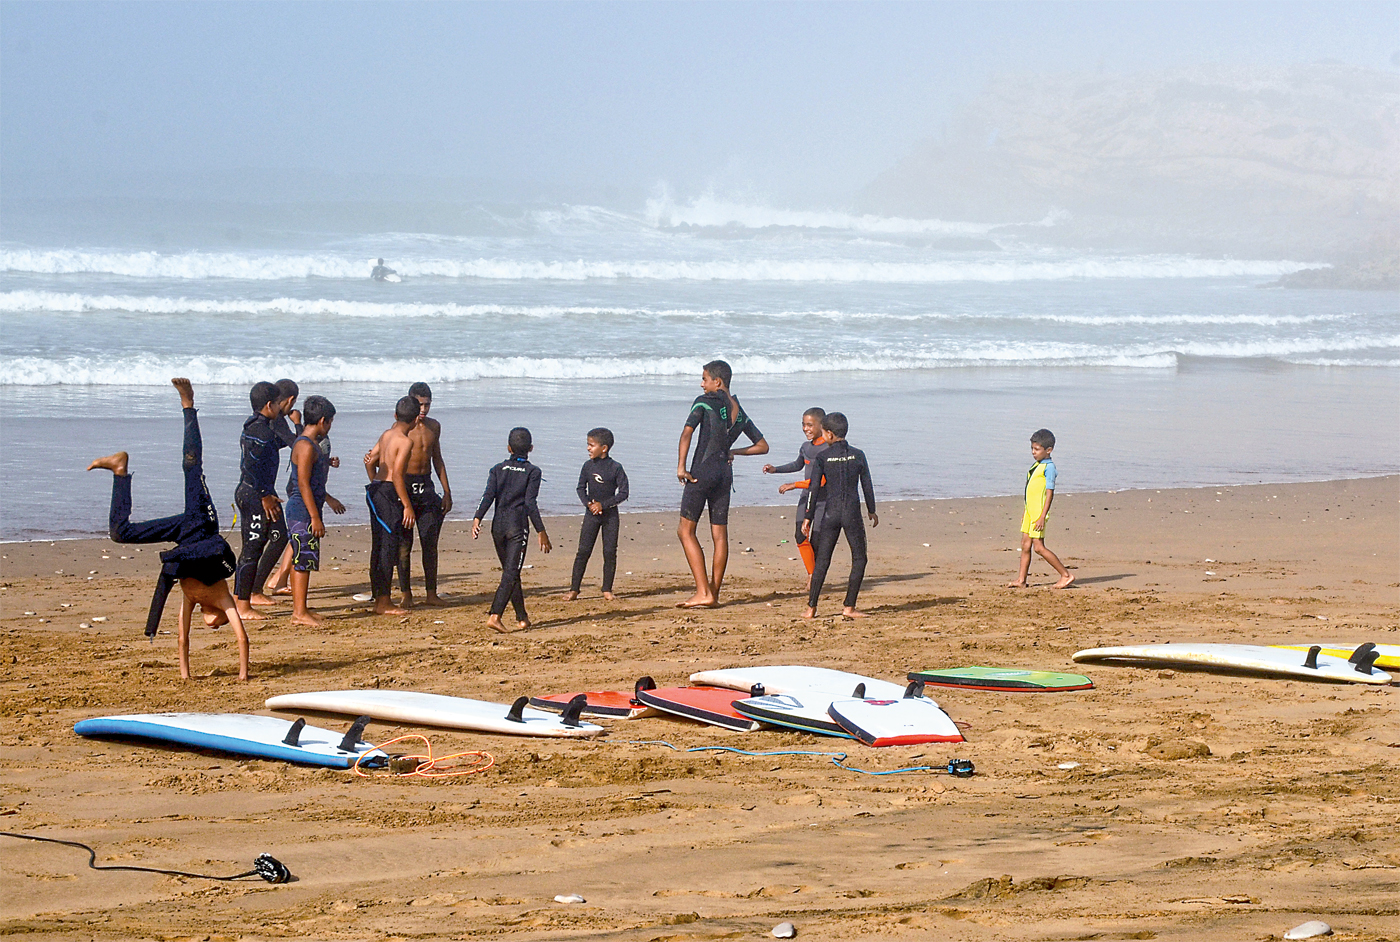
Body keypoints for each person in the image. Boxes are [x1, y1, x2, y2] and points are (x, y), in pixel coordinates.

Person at [86, 378, 248, 681]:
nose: (212, 625)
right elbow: (243, 639)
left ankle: (119, 469)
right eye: (219, 624)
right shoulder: (223, 598)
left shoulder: (192, 597)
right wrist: (242, 675)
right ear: (222, 616)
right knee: (191, 466)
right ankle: (188, 405)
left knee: (120, 533)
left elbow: (182, 639)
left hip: (184, 536)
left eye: (213, 625)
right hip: (201, 522)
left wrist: (186, 676)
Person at [675, 359, 767, 608]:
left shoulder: (704, 401)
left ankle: (703, 591)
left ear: (718, 382)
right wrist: (734, 451)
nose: (701, 383)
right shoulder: (739, 411)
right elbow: (762, 446)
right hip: (724, 475)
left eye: (704, 378)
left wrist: (681, 467)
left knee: (685, 531)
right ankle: (713, 593)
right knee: (719, 535)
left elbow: (687, 433)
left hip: (702, 472)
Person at [472, 427, 551, 633]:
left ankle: (522, 617)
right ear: (531, 448)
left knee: (512, 573)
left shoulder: (497, 469)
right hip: (517, 527)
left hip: (497, 526)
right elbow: (530, 503)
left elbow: (488, 495)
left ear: (508, 448)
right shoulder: (533, 472)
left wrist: (477, 517)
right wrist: (540, 530)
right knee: (510, 572)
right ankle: (495, 615)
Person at [232, 381, 299, 620]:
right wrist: (263, 496)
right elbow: (249, 466)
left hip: (262, 494)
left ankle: (254, 590)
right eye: (280, 404)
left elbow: (289, 443)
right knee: (251, 548)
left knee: (280, 534)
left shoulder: (263, 427)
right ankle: (243, 604)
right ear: (270, 405)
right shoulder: (258, 431)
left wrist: (299, 427)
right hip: (253, 496)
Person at [801, 412, 878, 620]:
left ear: (829, 434)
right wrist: (872, 510)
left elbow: (814, 488)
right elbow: (867, 485)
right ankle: (849, 607)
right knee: (860, 558)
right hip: (851, 513)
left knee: (823, 561)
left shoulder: (822, 457)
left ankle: (811, 608)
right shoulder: (858, 455)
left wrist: (808, 516)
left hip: (830, 513)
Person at [284, 395, 346, 626]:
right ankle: (298, 612)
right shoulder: (306, 446)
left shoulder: (310, 445)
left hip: (307, 506)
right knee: (302, 558)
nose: (329, 427)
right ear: (322, 421)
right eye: (329, 422)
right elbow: (303, 484)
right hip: (301, 509)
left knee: (304, 558)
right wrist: (314, 517)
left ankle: (302, 608)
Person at [762, 407, 828, 591]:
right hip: (806, 497)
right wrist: (776, 469)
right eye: (803, 424)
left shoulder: (828, 449)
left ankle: (814, 578)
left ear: (821, 425)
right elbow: (798, 464)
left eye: (810, 425)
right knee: (800, 535)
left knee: (817, 540)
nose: (806, 428)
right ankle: (812, 574)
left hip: (823, 500)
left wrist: (793, 485)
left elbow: (821, 481)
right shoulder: (806, 447)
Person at [399, 382, 452, 606]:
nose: (423, 410)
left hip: (426, 486)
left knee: (430, 542)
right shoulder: (401, 428)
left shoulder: (434, 427)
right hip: (405, 487)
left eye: (427, 405)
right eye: (419, 405)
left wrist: (447, 491)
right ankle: (406, 595)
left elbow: (437, 458)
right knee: (403, 546)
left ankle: (431, 593)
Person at [364, 396, 419, 615]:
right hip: (388, 492)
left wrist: (374, 480)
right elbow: (397, 475)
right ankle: (384, 601)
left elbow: (369, 459)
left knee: (379, 545)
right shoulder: (406, 442)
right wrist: (407, 505)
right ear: (415, 421)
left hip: (376, 490)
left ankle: (379, 597)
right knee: (388, 547)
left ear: (396, 416)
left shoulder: (387, 434)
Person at [565, 427, 629, 601]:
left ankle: (607, 589)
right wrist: (589, 504)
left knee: (609, 552)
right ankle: (574, 589)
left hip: (610, 516)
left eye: (591, 445)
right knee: (583, 551)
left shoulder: (616, 468)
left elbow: (624, 493)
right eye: (588, 445)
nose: (588, 448)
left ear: (604, 448)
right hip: (591, 515)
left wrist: (604, 505)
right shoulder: (587, 466)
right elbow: (580, 488)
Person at [1008, 428, 1074, 589]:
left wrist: (1042, 516)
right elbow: (1029, 490)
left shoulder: (1049, 467)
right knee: (1025, 544)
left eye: (1037, 449)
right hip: (1030, 511)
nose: (1033, 452)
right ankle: (1021, 580)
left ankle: (1066, 575)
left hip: (1039, 512)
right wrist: (1026, 511)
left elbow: (1050, 492)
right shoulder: (1036, 465)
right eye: (1032, 448)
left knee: (1038, 547)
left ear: (1048, 450)